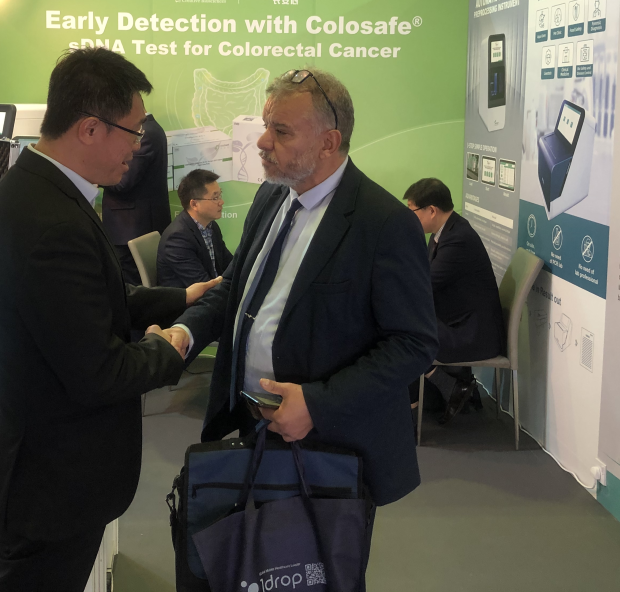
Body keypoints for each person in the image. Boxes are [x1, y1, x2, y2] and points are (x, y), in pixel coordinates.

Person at [168, 69, 437, 587]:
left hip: (329, 444)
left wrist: (317, 402)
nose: (262, 142)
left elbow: (414, 344)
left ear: (328, 142)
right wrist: (185, 332)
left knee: (316, 573)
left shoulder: (384, 223)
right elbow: (236, 288)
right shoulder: (273, 197)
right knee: (252, 567)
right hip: (254, 426)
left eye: (281, 131)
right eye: (266, 126)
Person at [0, 48, 220, 592]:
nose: (138, 146)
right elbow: (99, 372)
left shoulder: (46, 191)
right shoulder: (49, 219)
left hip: (48, 467)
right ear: (89, 129)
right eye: (134, 132)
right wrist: (172, 345)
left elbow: (94, 299)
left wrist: (182, 297)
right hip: (51, 478)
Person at [404, 177, 505, 424]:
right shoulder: (444, 233)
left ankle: (428, 400)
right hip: (457, 320)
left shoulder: (458, 239)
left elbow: (425, 284)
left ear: (431, 210)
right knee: (402, 324)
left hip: (473, 333)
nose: (408, 219)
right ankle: (443, 389)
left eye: (412, 212)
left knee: (404, 331)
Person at [101, 112, 171, 284]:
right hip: (132, 228)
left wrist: (94, 174)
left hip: (130, 230)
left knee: (132, 289)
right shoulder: (151, 129)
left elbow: (123, 183)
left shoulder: (144, 133)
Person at [157, 169, 234, 288]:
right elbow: (202, 286)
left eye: (220, 195)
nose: (221, 202)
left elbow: (229, 264)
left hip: (214, 291)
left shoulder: (211, 226)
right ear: (194, 204)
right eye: (215, 198)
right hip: (192, 298)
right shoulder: (177, 239)